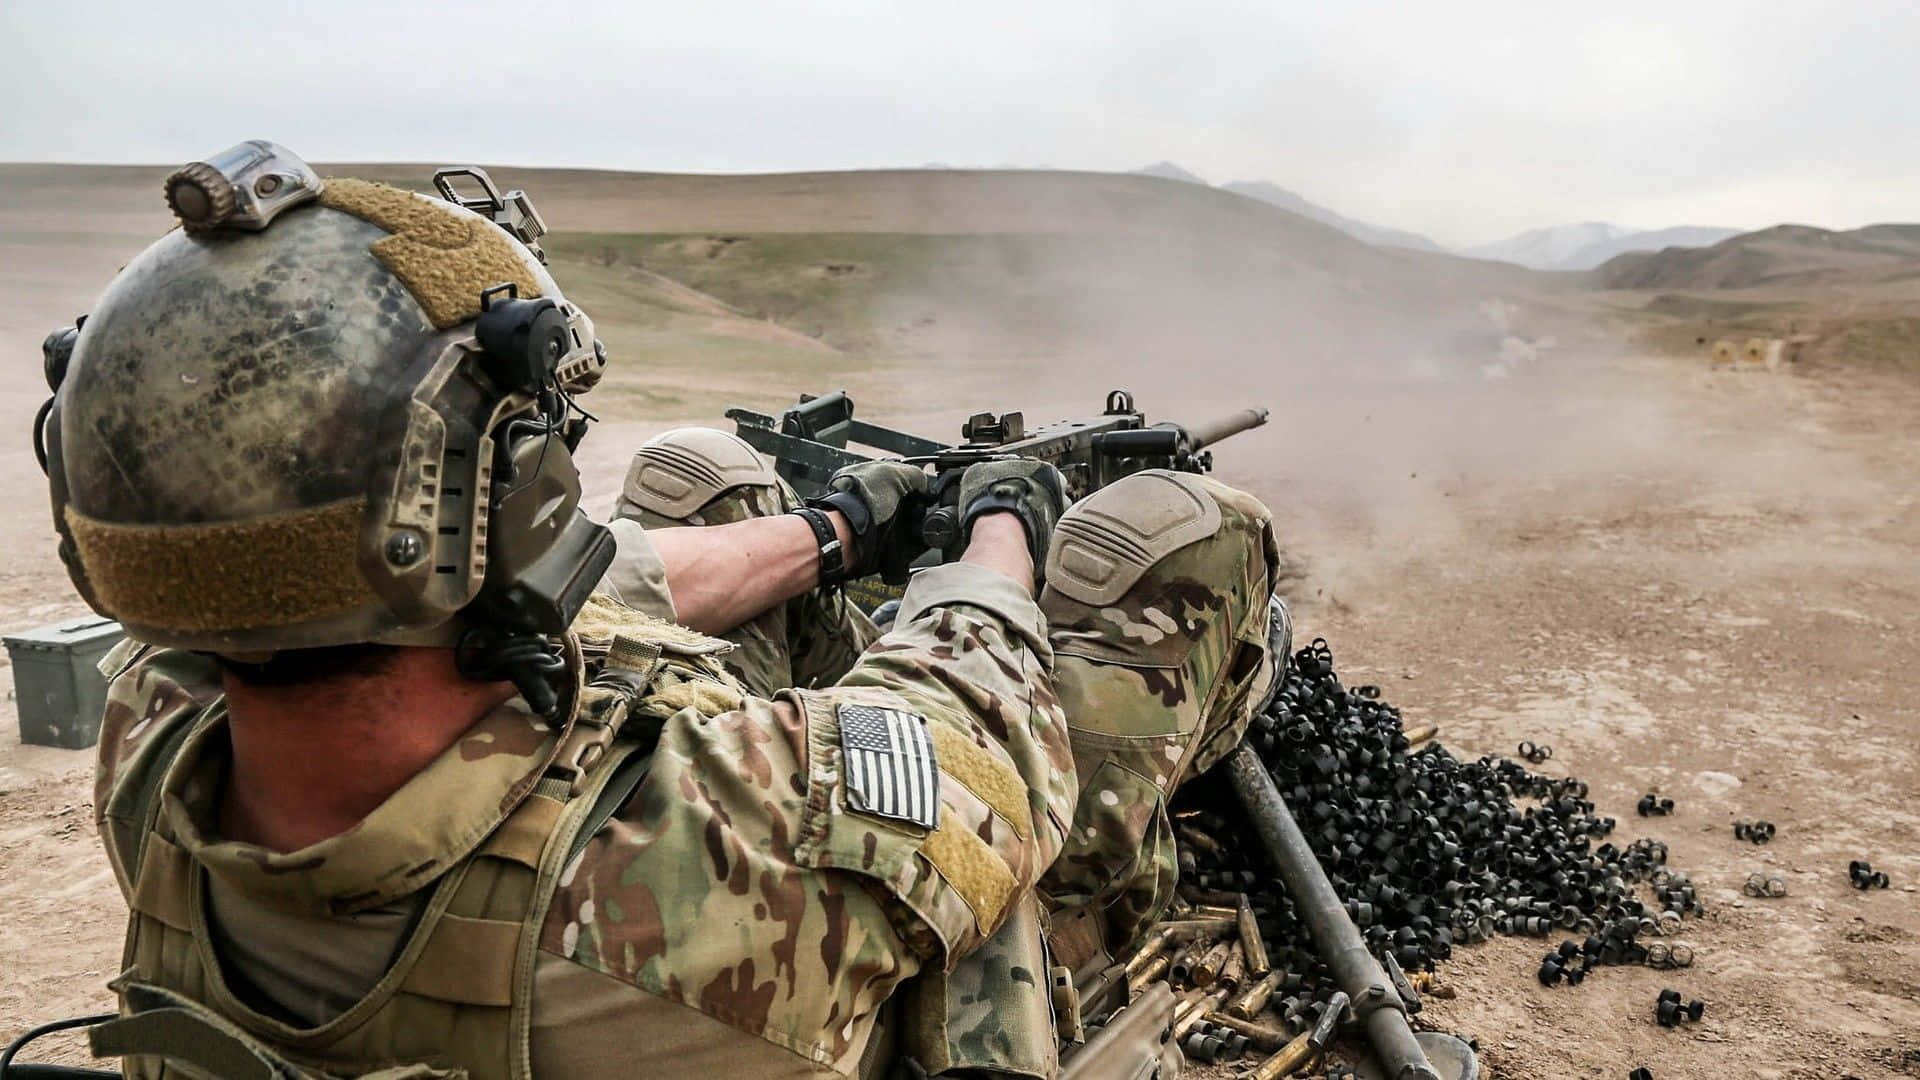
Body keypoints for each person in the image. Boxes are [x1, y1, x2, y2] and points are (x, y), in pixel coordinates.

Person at [47, 142, 1284, 1080]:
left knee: (701, 481)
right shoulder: (721, 855)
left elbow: (607, 573)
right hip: (894, 875)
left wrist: (834, 532)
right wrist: (998, 526)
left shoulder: (153, 739)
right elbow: (975, 725)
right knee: (1172, 545)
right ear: (509, 501)